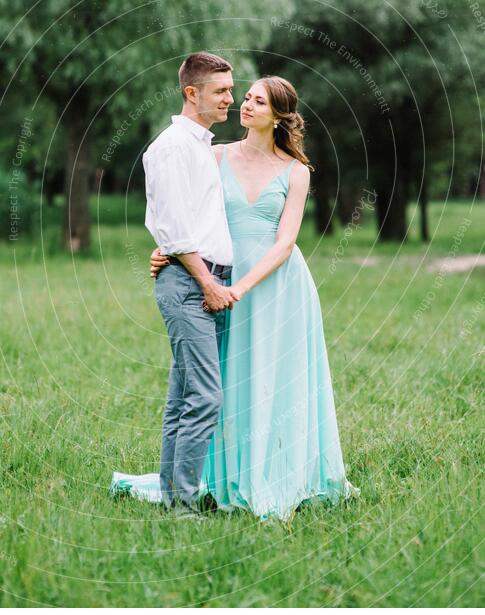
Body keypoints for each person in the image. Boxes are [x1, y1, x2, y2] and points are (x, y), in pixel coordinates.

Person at [111, 71, 360, 521]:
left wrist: (240, 288)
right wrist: (165, 250)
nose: (245, 105)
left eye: (258, 102)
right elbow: (185, 212)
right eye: (244, 97)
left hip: (273, 285)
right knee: (223, 381)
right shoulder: (215, 155)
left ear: (280, 115)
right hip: (215, 277)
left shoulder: (296, 171)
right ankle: (220, 477)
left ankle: (276, 472)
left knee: (272, 377)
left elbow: (285, 243)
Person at [135, 52, 238, 516]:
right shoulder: (174, 147)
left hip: (199, 279)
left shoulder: (199, 145)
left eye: (232, 90)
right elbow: (176, 231)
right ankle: (184, 504)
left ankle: (173, 494)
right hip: (191, 286)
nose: (230, 99)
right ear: (191, 93)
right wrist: (208, 284)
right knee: (205, 396)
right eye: (221, 91)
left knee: (184, 395)